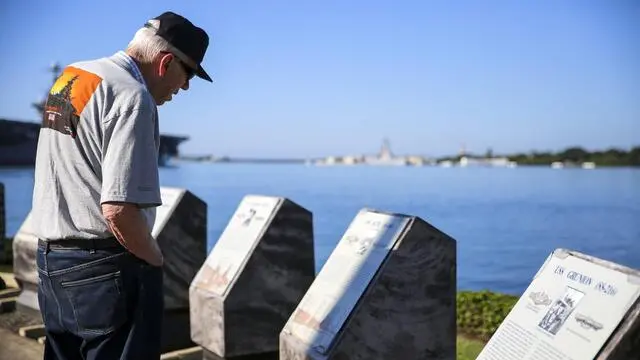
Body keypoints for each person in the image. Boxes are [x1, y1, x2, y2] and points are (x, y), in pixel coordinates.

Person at [30, 11, 212, 359]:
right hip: (103, 268)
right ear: (166, 62)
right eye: (188, 73)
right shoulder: (133, 97)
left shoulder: (74, 75)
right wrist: (155, 259)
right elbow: (118, 209)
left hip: (51, 261)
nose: (185, 86)